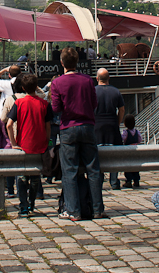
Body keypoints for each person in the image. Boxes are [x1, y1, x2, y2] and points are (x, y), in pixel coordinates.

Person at [50, 47, 105, 221]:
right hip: (88, 126)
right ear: (77, 62)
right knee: (94, 169)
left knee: (69, 170)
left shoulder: (57, 83)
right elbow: (94, 103)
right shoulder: (88, 80)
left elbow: (56, 108)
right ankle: (97, 209)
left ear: (62, 63)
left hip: (68, 128)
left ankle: (74, 210)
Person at [6, 73, 52, 217]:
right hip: (39, 145)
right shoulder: (44, 104)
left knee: (21, 177)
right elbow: (48, 127)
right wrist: (46, 140)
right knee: (35, 177)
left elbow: (8, 125)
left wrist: (13, 143)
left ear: (23, 87)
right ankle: (31, 203)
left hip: (23, 144)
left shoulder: (19, 103)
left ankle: (23, 206)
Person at [94, 68, 125, 190]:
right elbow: (121, 109)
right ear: (109, 78)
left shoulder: (93, 91)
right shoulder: (116, 92)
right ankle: (114, 182)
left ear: (97, 79)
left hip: (97, 126)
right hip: (112, 124)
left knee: (98, 154)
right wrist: (117, 122)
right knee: (114, 154)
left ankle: (99, 180)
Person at [120, 114, 141, 189]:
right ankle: (136, 180)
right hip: (135, 151)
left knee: (128, 167)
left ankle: (128, 181)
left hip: (128, 152)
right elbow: (140, 139)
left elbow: (123, 139)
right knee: (136, 167)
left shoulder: (125, 132)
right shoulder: (137, 132)